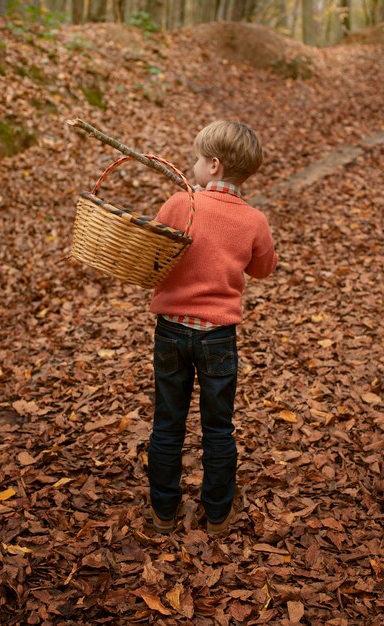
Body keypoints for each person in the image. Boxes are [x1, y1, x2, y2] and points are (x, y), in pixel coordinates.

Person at [147, 120, 277, 535]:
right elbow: (264, 269)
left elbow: (153, 253)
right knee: (218, 426)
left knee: (168, 421)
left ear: (215, 166)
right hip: (218, 336)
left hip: (171, 331)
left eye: (199, 160)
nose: (194, 166)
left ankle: (164, 511)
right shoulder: (254, 220)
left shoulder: (178, 204)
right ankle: (218, 514)